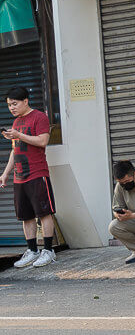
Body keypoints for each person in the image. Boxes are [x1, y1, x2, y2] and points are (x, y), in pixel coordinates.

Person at [0, 87, 58, 268]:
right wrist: (5, 173)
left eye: (15, 104)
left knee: (44, 212)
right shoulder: (16, 122)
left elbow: (42, 141)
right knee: (26, 216)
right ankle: (32, 251)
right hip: (19, 175)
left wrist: (19, 135)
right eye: (9, 105)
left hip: (37, 172)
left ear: (26, 101)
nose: (12, 108)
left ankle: (48, 250)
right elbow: (14, 150)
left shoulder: (40, 117)